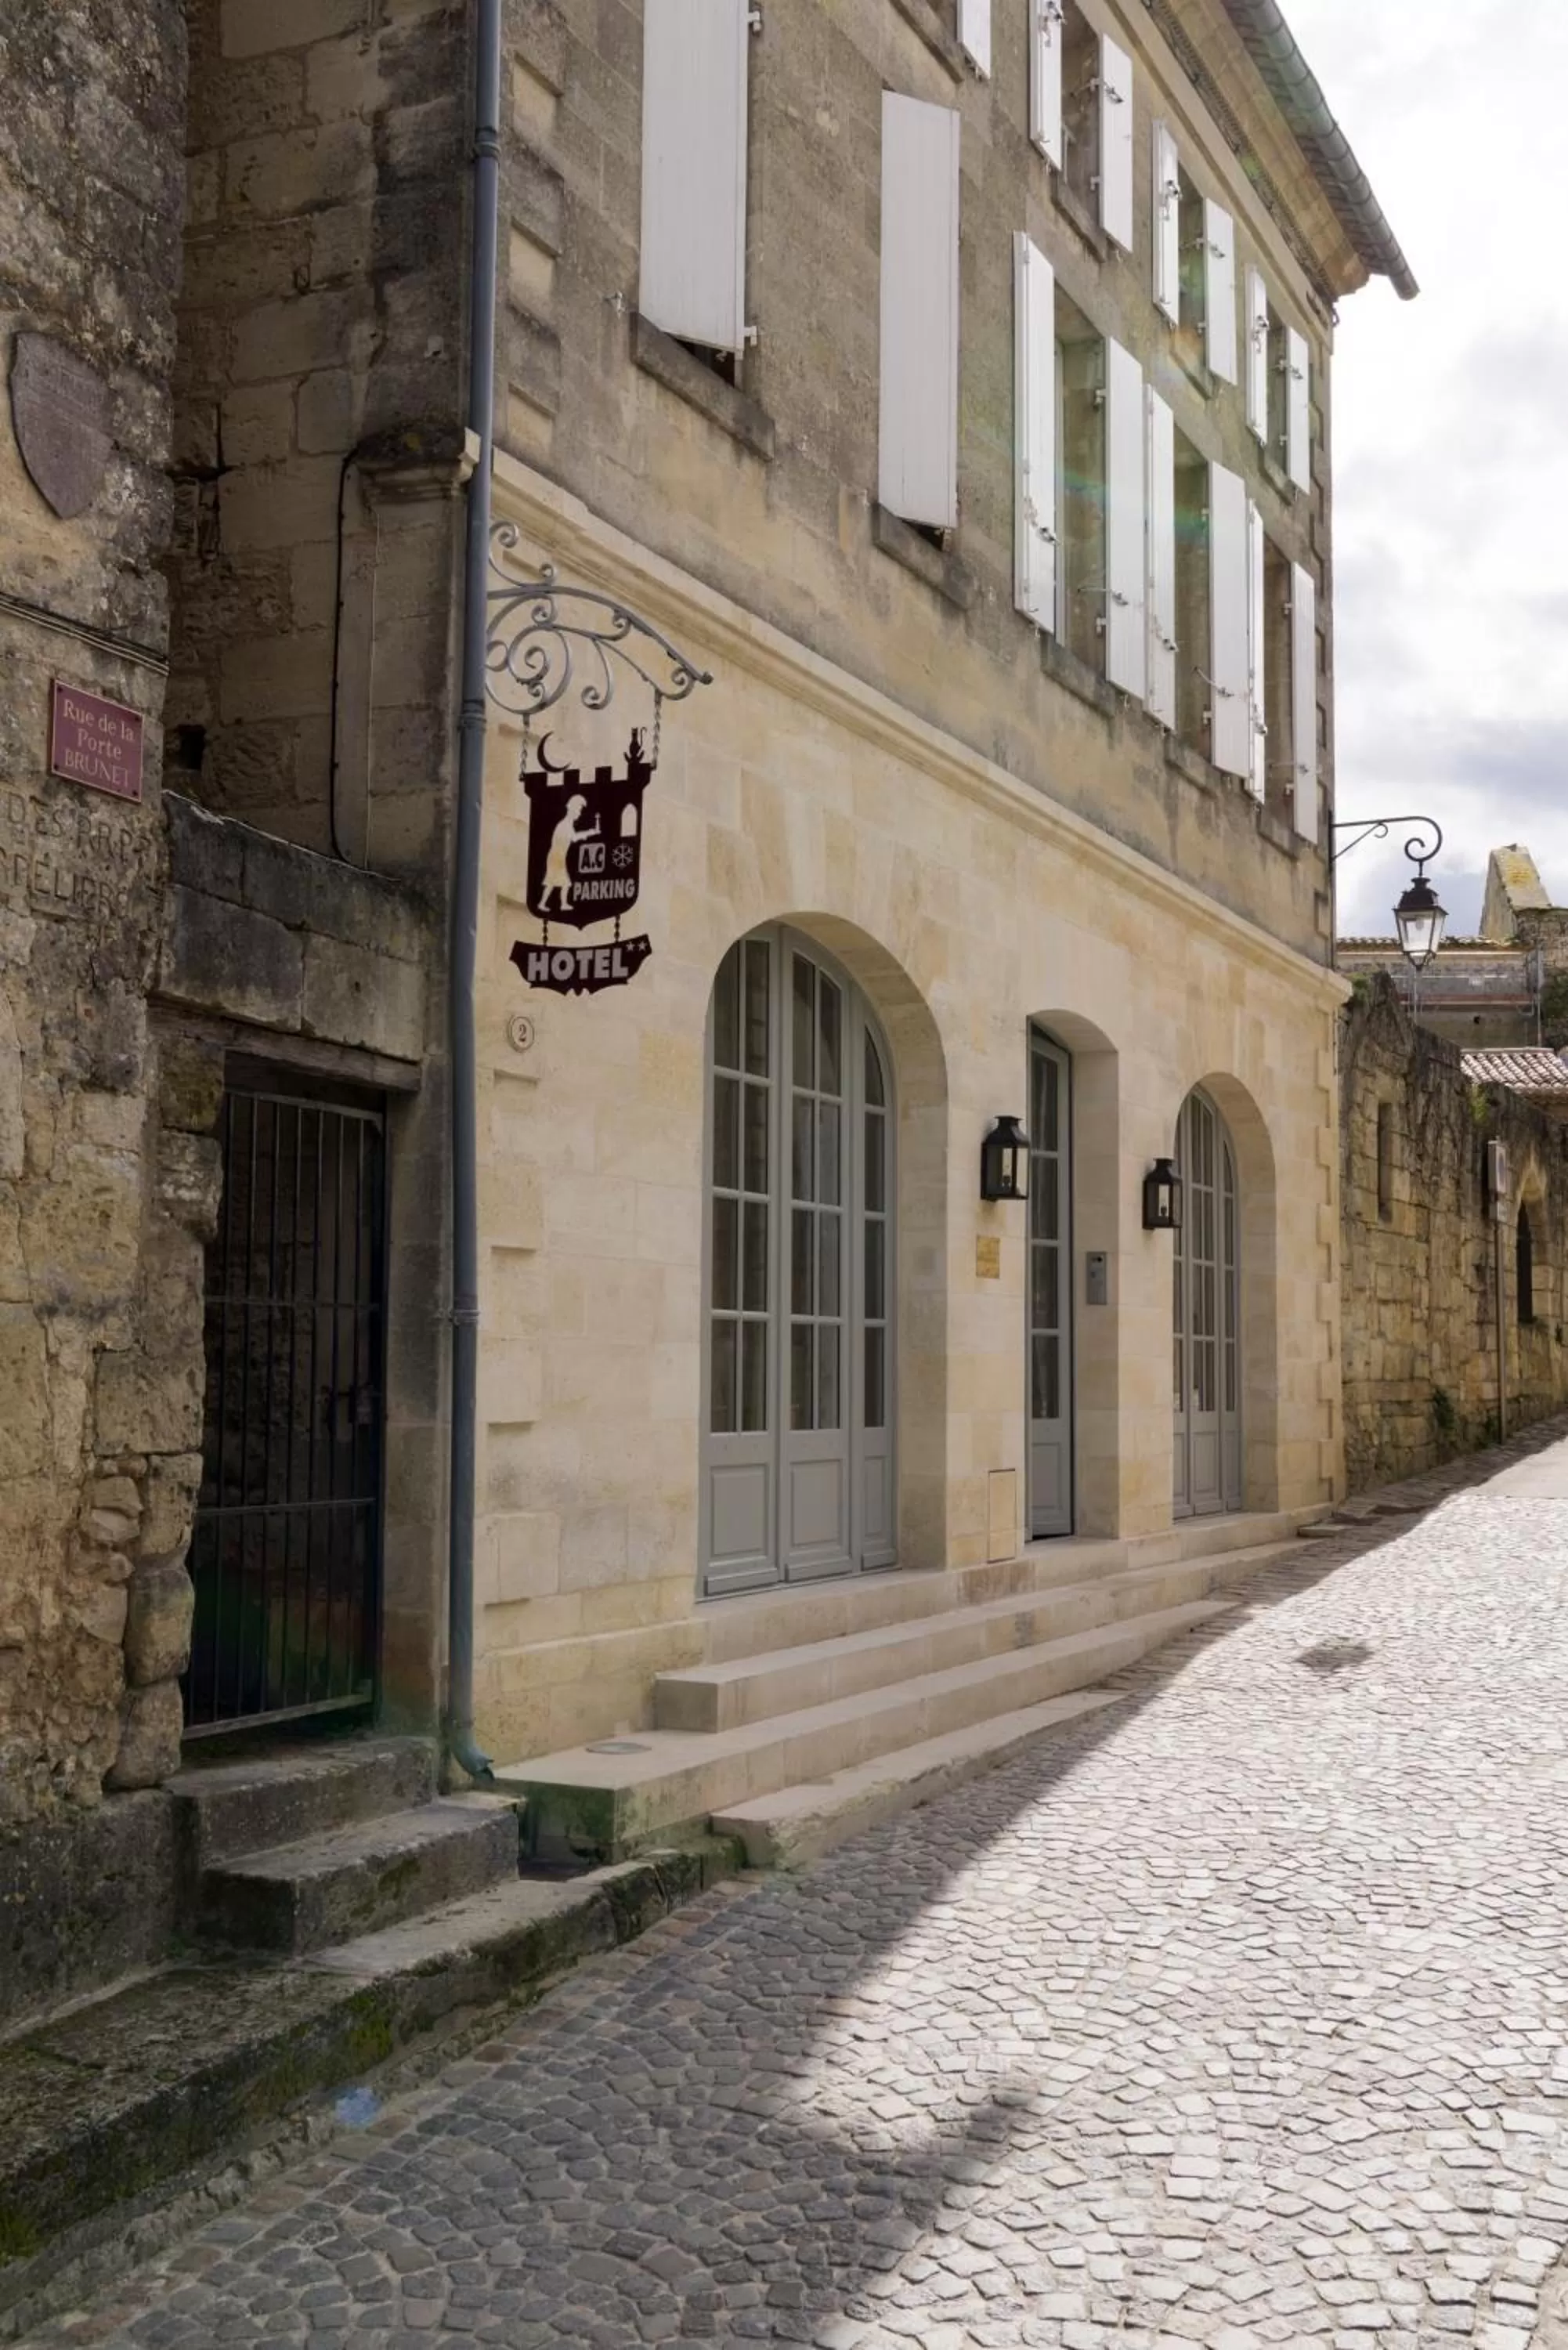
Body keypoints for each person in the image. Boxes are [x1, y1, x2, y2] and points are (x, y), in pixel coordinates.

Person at [537, 793, 599, 913]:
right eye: (579, 810)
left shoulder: (567, 824)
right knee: (560, 883)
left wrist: (590, 832)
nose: (579, 814)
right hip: (556, 858)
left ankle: (549, 903)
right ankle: (555, 904)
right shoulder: (565, 825)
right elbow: (574, 838)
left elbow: (573, 837)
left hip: (557, 857)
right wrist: (591, 832)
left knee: (555, 882)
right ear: (572, 810)